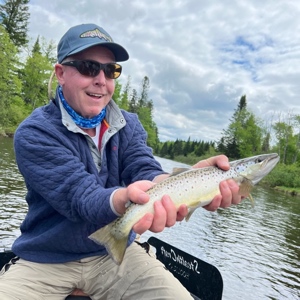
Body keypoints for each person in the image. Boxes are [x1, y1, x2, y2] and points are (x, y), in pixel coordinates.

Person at [0, 23, 242, 299]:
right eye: (88, 67)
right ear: (61, 73)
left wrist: (182, 184)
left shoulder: (129, 125)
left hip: (116, 256)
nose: (101, 79)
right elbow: (80, 197)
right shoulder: (35, 133)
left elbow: (145, 168)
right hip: (45, 260)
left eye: (110, 70)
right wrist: (124, 197)